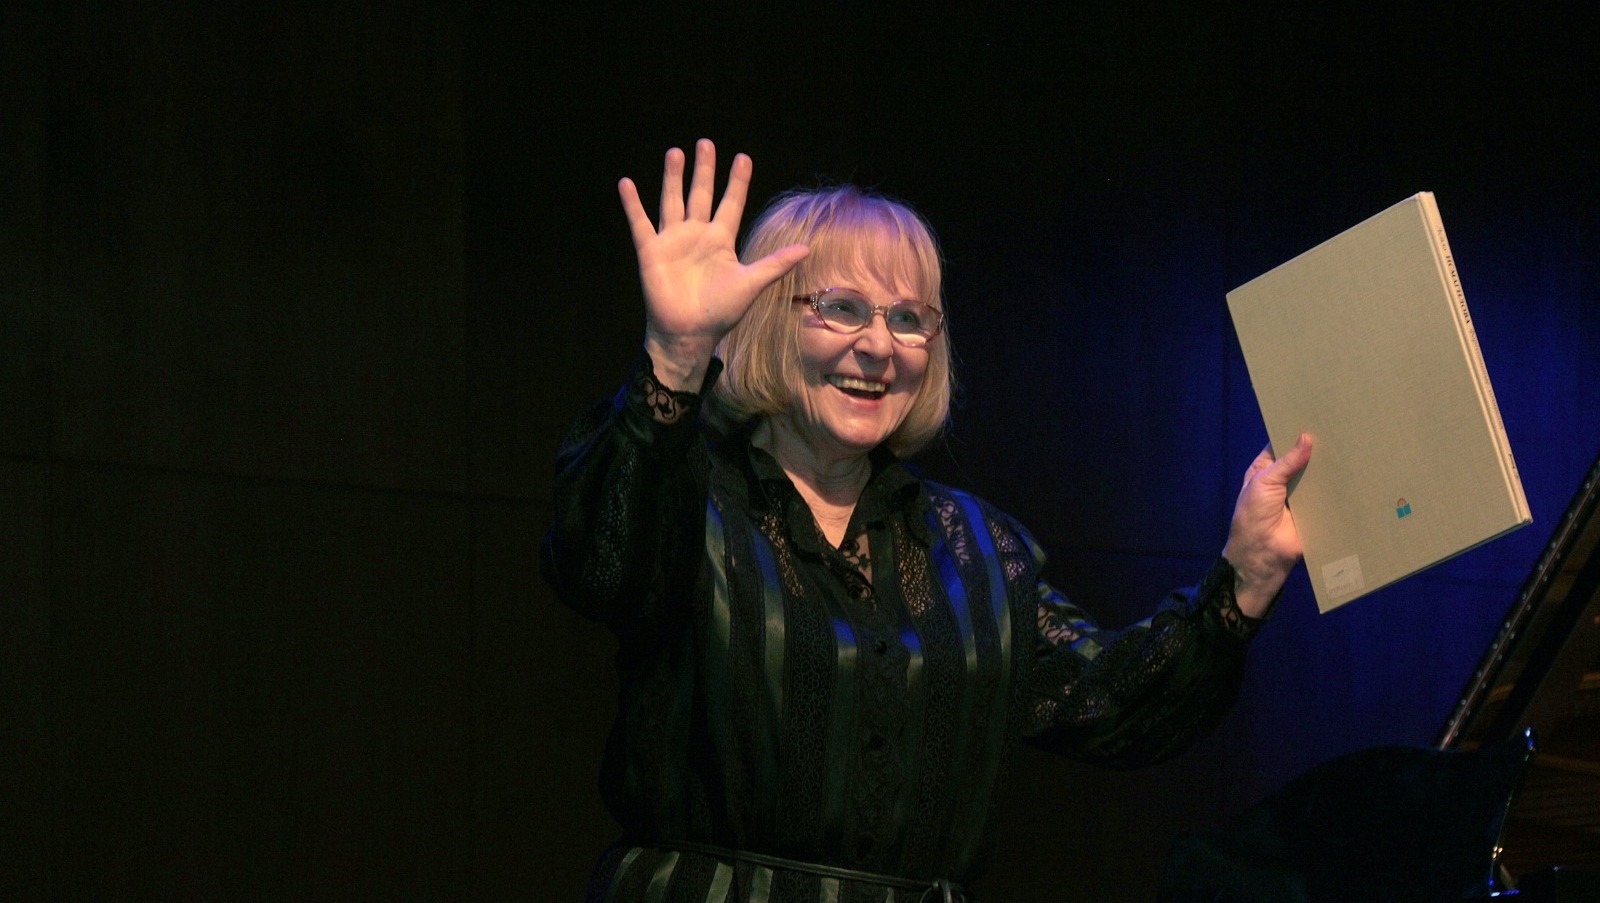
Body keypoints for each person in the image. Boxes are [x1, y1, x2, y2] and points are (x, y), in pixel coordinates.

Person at [542, 139, 1311, 903]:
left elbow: (1111, 704)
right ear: (765, 317)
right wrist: (676, 356)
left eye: (909, 319)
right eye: (842, 308)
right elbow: (599, 561)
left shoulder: (977, 547)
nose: (880, 346)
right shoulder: (687, 497)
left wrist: (1245, 577)